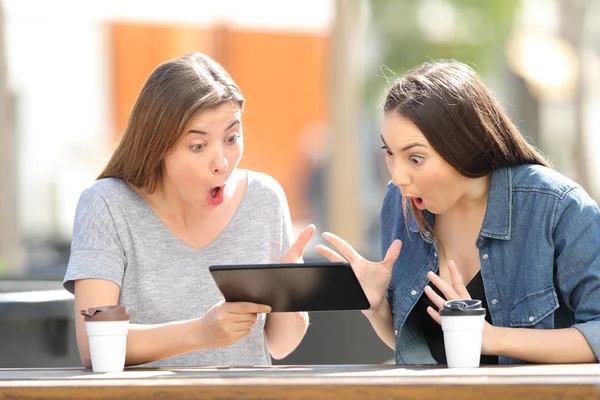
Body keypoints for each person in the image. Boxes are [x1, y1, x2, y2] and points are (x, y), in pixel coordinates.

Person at [317, 60, 600, 365]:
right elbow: (416, 347)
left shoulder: (556, 206)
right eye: (389, 153)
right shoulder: (399, 205)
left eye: (415, 158)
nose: (398, 177)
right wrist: (376, 309)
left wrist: (492, 338)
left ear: (463, 146)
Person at [63, 53, 314, 368]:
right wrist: (199, 333)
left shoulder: (264, 199)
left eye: (232, 138)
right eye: (198, 146)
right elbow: (93, 346)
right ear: (157, 146)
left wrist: (289, 294)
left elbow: (280, 345)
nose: (221, 163)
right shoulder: (107, 205)